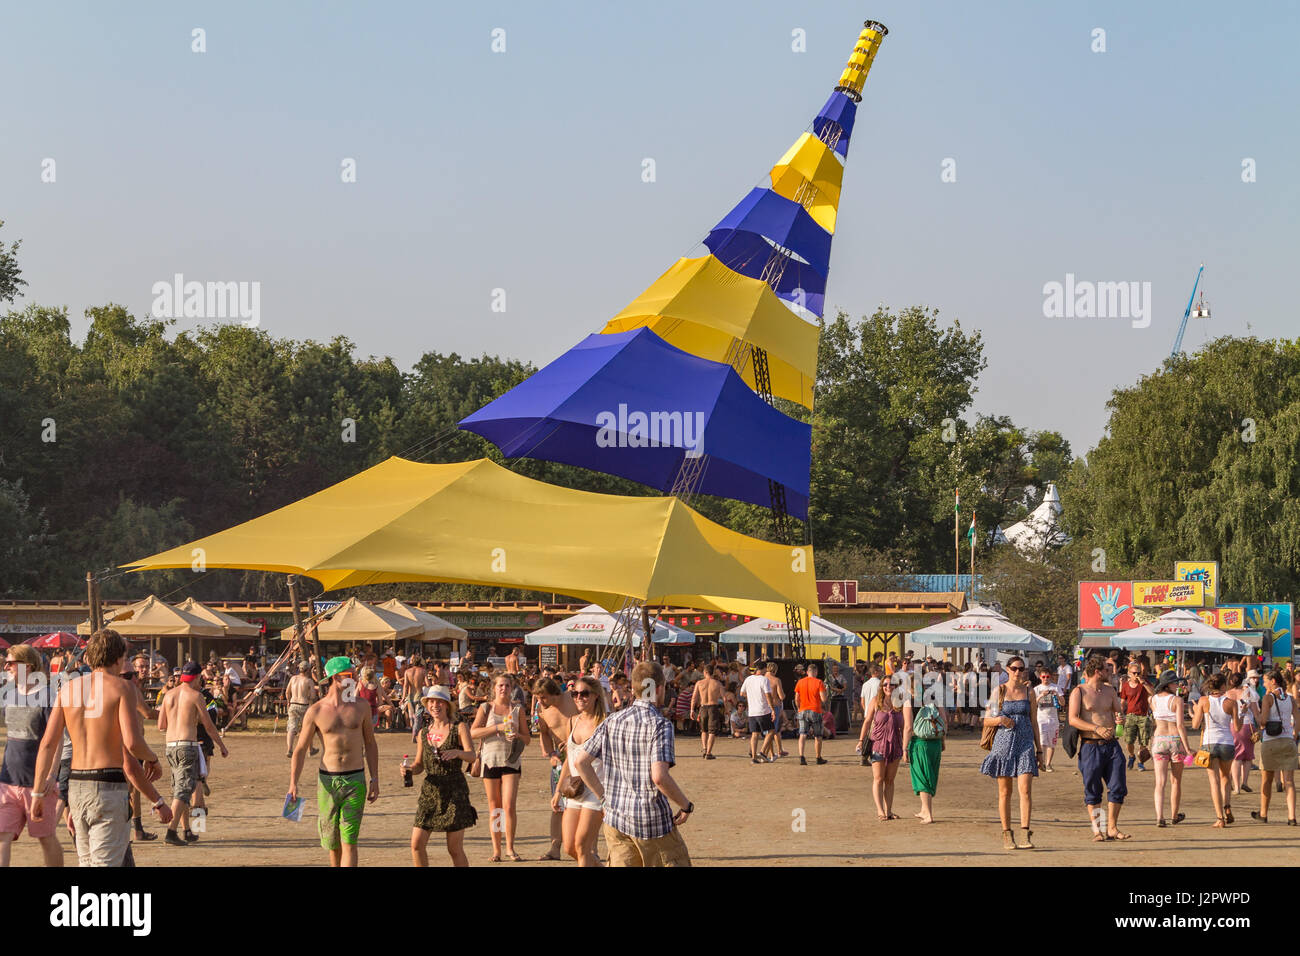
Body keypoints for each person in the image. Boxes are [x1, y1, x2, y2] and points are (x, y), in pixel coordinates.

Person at [31, 629, 173, 866]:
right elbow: (132, 742)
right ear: (118, 658)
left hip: (76, 786)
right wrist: (152, 758)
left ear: (88, 658)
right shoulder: (122, 688)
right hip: (108, 786)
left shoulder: (68, 689)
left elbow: (47, 744)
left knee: (87, 863)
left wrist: (37, 792)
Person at [570, 661, 692, 867]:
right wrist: (685, 805)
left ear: (633, 688)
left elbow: (581, 761)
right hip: (652, 822)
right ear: (658, 688)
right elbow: (659, 776)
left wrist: (604, 798)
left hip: (616, 819)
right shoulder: (660, 725)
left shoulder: (612, 721)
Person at [288, 656, 379, 866]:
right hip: (327, 781)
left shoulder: (361, 706)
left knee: (350, 840)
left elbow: (371, 744)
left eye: (355, 675)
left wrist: (374, 778)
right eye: (350, 675)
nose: (355, 679)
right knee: (332, 841)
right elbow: (300, 748)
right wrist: (293, 782)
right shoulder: (316, 711)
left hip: (355, 779)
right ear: (335, 678)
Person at [0, 644, 63, 867]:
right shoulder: (8, 694)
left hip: (37, 783)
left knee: (45, 838)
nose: (5, 666)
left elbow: (56, 740)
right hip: (8, 781)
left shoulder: (47, 696)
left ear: (27, 666)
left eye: (10, 662)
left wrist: (51, 775)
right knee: (2, 836)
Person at [157, 661, 229, 846]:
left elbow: (160, 726)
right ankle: (171, 832)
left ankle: (187, 830)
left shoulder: (169, 695)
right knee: (185, 790)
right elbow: (209, 725)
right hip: (187, 745)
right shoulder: (197, 696)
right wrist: (221, 745)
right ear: (197, 677)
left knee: (179, 788)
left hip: (170, 746)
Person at [407, 687, 477, 866]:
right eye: (431, 702)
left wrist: (457, 752)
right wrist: (408, 769)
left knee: (454, 849)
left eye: (439, 701)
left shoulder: (459, 727)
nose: (435, 705)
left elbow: (472, 755)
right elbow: (419, 765)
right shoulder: (423, 732)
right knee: (416, 844)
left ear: (447, 705)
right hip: (430, 791)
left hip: (455, 791)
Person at [983, 655, 1041, 849]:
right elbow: (986, 720)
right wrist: (1000, 720)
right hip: (1003, 744)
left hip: (1025, 743)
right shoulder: (998, 691)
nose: (1018, 672)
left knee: (1025, 789)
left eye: (1021, 669)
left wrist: (1039, 750)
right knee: (1005, 792)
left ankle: (1025, 834)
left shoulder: (1029, 692)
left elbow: (1034, 721)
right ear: (1007, 669)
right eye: (1015, 668)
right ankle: (1007, 834)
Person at [471, 675, 529, 862]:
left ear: (512, 688)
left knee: (509, 805)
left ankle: (510, 848)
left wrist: (516, 734)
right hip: (490, 760)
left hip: (511, 760)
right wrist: (497, 727)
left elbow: (527, 739)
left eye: (507, 685)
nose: (503, 688)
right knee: (495, 807)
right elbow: (473, 732)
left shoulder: (517, 709)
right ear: (494, 688)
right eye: (500, 685)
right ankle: (496, 850)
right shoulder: (486, 708)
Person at [1068, 655, 1127, 842]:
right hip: (1090, 745)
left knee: (1118, 786)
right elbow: (1072, 719)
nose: (1110, 672)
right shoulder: (1079, 691)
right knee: (1093, 789)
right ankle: (1098, 830)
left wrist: (1120, 719)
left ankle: (1112, 828)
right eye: (1106, 669)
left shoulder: (1110, 691)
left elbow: (1118, 711)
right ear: (1097, 671)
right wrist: (1096, 728)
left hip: (1112, 745)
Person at [552, 675, 606, 866]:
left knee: (583, 846)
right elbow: (570, 759)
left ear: (595, 696)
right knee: (569, 847)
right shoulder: (572, 721)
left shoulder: (605, 723)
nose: (579, 698)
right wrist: (558, 790)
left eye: (584, 694)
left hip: (597, 789)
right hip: (575, 788)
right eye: (575, 693)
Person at [532, 675, 578, 861]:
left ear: (554, 694)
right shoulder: (542, 710)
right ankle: (554, 847)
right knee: (557, 805)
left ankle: (590, 849)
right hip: (561, 760)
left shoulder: (573, 698)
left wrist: (576, 742)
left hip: (583, 756)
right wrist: (550, 754)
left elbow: (591, 719)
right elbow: (544, 734)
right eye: (537, 697)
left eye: (543, 697)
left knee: (586, 805)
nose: (540, 701)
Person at [1191, 673, 1240, 828]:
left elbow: (1194, 725)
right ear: (1223, 686)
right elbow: (1237, 728)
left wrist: (1194, 711)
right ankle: (1227, 807)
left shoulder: (1203, 701)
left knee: (1214, 781)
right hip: (1227, 743)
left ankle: (1219, 818)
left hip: (1209, 743)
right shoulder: (1232, 703)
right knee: (1226, 777)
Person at [1252, 669, 1297, 824]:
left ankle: (1263, 813)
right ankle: (1292, 817)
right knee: (1289, 781)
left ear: (1273, 681)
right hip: (1288, 741)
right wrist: (1294, 736)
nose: (1263, 684)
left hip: (1271, 741)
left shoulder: (1268, 698)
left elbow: (1263, 721)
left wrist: (1255, 712)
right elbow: (1297, 720)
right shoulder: (1290, 699)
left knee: (1267, 779)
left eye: (1265, 680)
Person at [1149, 671, 1190, 827]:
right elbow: (1180, 725)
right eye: (1174, 683)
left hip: (1159, 740)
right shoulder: (1177, 700)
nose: (1177, 685)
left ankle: (1159, 816)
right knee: (1176, 781)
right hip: (1175, 741)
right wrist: (1186, 748)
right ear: (1168, 684)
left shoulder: (1152, 699)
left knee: (1160, 782)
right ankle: (1174, 815)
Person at [902, 677, 945, 824]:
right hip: (936, 743)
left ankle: (927, 813)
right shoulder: (934, 699)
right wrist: (943, 740)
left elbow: (908, 727)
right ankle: (923, 809)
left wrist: (904, 748)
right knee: (931, 774)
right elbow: (943, 722)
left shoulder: (909, 702)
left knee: (921, 777)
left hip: (920, 743)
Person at [865, 677, 904, 821]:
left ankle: (889, 811)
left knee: (890, 780)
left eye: (892, 684)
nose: (889, 687)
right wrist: (861, 740)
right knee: (878, 778)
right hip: (878, 745)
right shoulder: (875, 701)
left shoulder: (900, 703)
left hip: (895, 745)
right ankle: (880, 811)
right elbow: (867, 721)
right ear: (882, 686)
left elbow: (905, 727)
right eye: (885, 684)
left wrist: (907, 745)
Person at [1226, 671, 1259, 796]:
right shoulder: (1248, 693)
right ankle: (1244, 782)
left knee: (1236, 757)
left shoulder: (1227, 694)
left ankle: (1237, 786)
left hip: (1232, 725)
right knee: (1248, 756)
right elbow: (1256, 712)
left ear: (1230, 681)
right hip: (1248, 726)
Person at [1118, 662, 1153, 772]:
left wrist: (1144, 683)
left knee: (1143, 741)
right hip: (1130, 716)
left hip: (1143, 716)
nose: (1137, 675)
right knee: (1129, 741)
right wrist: (1119, 713)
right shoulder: (1125, 686)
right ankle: (1132, 755)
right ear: (1129, 673)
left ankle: (1141, 762)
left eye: (1139, 673)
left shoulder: (1144, 683)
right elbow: (1123, 701)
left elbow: (1153, 693)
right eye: (1134, 673)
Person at [740, 666, 777, 764]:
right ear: (763, 669)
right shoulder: (764, 680)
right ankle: (762, 752)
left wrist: (752, 696)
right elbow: (768, 695)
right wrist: (772, 709)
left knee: (754, 734)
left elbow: (742, 693)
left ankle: (753, 756)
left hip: (752, 711)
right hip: (763, 710)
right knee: (771, 731)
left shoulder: (748, 679)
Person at [793, 663, 828, 766]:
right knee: (818, 735)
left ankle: (802, 757)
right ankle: (818, 757)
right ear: (816, 672)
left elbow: (796, 698)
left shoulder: (800, 682)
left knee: (802, 734)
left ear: (807, 672)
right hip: (815, 710)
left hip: (803, 710)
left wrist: (799, 708)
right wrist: (825, 693)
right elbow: (823, 699)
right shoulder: (819, 682)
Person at [689, 664, 724, 760]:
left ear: (705, 672)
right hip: (713, 707)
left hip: (703, 707)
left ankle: (705, 749)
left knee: (704, 730)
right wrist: (728, 711)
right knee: (712, 731)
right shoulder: (717, 683)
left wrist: (692, 710)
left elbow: (694, 698)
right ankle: (708, 752)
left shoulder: (699, 683)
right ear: (712, 673)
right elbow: (724, 698)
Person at [285, 662, 318, 758]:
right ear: (307, 670)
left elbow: (287, 692)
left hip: (293, 704)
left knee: (291, 728)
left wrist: (288, 701)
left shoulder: (293, 678)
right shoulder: (308, 681)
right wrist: (309, 697)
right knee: (307, 728)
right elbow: (312, 696)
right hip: (304, 705)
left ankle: (289, 749)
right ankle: (310, 749)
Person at [1033, 668, 1064, 772]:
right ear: (1040, 677)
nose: (1045, 679)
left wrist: (1057, 695)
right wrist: (1042, 695)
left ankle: (1048, 764)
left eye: (1047, 677)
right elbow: (1033, 704)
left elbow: (1063, 703)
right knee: (1042, 742)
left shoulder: (1055, 687)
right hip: (1041, 718)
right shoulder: (1037, 689)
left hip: (1053, 718)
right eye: (1043, 677)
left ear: (1050, 676)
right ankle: (1041, 763)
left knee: (1051, 742)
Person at [401, 655, 427, 741]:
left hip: (410, 696)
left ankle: (414, 733)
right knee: (418, 716)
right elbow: (428, 684)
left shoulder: (407, 671)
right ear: (420, 662)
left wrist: (403, 697)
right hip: (419, 695)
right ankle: (414, 735)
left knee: (412, 716)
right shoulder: (423, 671)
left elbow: (405, 686)